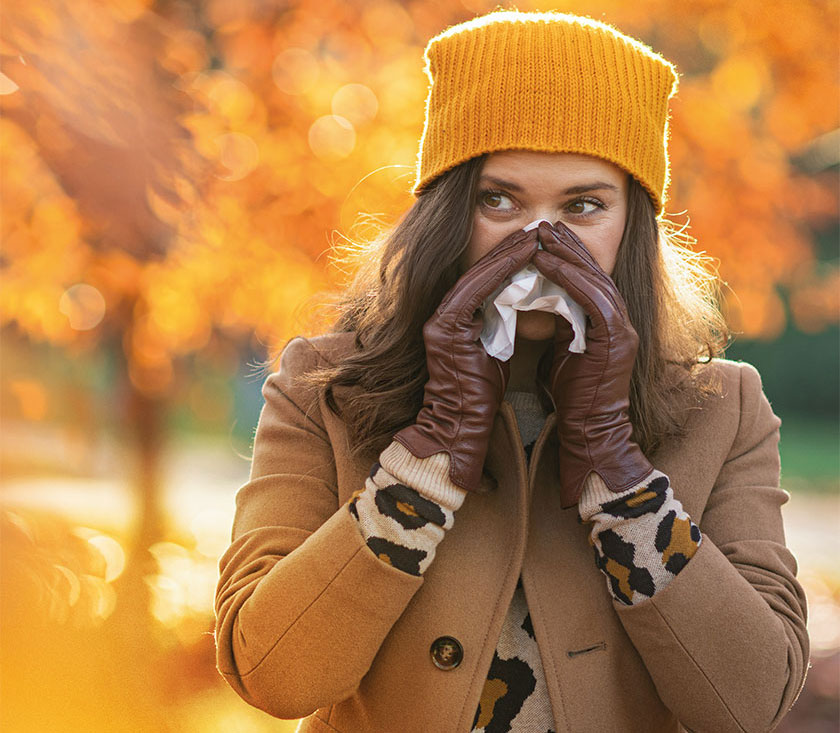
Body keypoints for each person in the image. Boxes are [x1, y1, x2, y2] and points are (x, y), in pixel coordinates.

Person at [214, 10, 809, 732]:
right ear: (446, 212)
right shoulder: (324, 386)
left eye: (583, 205)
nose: (539, 243)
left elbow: (752, 703)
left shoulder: (724, 407)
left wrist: (619, 474)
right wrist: (425, 463)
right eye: (498, 200)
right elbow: (273, 675)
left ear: (633, 224)